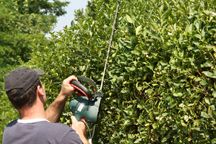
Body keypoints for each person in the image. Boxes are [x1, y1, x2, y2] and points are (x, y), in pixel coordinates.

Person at [2, 67, 89, 144]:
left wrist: (63, 95)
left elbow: (41, 128)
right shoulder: (64, 136)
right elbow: (44, 130)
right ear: (39, 90)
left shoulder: (9, 132)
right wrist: (80, 135)